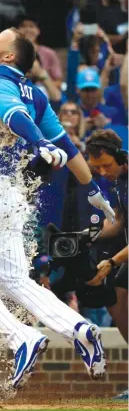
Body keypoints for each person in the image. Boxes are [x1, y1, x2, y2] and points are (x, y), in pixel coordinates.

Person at [0, 28, 113, 389]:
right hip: (9, 194)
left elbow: (13, 114)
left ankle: (19, 336)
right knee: (15, 279)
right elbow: (67, 147)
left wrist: (36, 142)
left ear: (8, 57)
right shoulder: (37, 93)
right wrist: (92, 188)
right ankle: (78, 327)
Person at [85, 130, 128, 345]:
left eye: (107, 165)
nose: (102, 172)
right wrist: (87, 236)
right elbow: (119, 219)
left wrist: (112, 262)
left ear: (120, 157)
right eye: (97, 167)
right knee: (115, 299)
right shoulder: (117, 181)